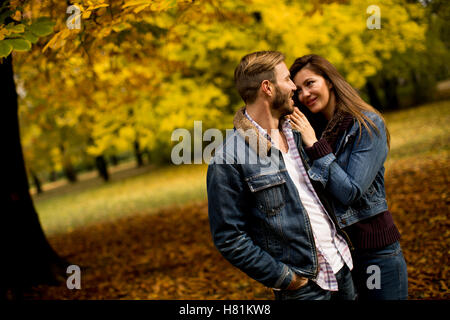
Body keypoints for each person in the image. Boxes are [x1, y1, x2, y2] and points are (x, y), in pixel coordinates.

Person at [207, 51, 356, 300]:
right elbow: (229, 237)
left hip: (342, 265)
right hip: (304, 288)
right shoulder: (228, 159)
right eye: (287, 79)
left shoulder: (300, 132)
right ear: (267, 87)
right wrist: (286, 279)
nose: (294, 87)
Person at [287, 54, 408, 300]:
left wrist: (315, 144)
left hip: (375, 253)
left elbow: (351, 191)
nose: (304, 94)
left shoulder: (366, 124)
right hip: (338, 257)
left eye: (310, 83)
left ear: (329, 81)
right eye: (298, 89)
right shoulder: (310, 129)